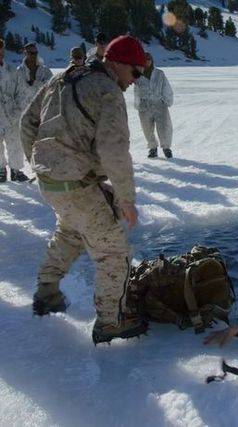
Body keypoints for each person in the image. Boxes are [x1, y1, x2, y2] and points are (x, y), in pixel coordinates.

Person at [20, 35, 148, 344]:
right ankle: (109, 322)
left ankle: (47, 290)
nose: (135, 81)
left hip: (51, 182)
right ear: (117, 64)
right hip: (76, 184)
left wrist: (40, 162)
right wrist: (126, 200)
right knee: (114, 252)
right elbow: (114, 150)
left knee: (72, 231)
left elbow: (26, 122)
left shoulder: (63, 77)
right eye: (135, 72)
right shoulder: (108, 91)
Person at [6, 43, 53, 182]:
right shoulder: (18, 72)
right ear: (24, 53)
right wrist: (12, 111)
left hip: (40, 113)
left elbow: (51, 89)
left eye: (35, 53)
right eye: (30, 53)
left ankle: (42, 170)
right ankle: (15, 170)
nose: (33, 56)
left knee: (41, 142)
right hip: (21, 113)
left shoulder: (45, 71)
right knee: (18, 143)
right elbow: (11, 93)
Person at [134, 52, 174, 159]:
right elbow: (136, 91)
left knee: (164, 127)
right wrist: (137, 103)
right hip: (144, 105)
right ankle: (153, 148)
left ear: (152, 61)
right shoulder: (138, 75)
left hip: (159, 103)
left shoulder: (159, 73)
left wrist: (167, 100)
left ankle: (166, 148)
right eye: (145, 59)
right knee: (147, 128)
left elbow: (166, 87)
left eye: (149, 59)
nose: (147, 61)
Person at [0, 38, 24, 183]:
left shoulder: (11, 70)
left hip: (11, 113)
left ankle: (16, 171)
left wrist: (18, 110)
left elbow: (19, 92)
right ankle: (1, 170)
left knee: (15, 143)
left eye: (1, 49)